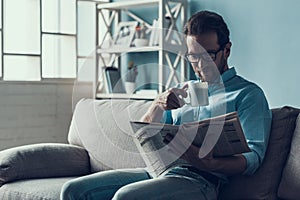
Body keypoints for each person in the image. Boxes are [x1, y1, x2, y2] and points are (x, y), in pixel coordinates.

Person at [60, 10, 272, 200]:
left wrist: (210, 163)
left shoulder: (247, 95)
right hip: (158, 171)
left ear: (226, 50)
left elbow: (253, 157)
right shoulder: (182, 89)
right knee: (73, 190)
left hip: (201, 180)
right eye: (193, 57)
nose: (199, 65)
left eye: (207, 55)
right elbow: (143, 136)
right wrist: (157, 106)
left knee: (126, 197)